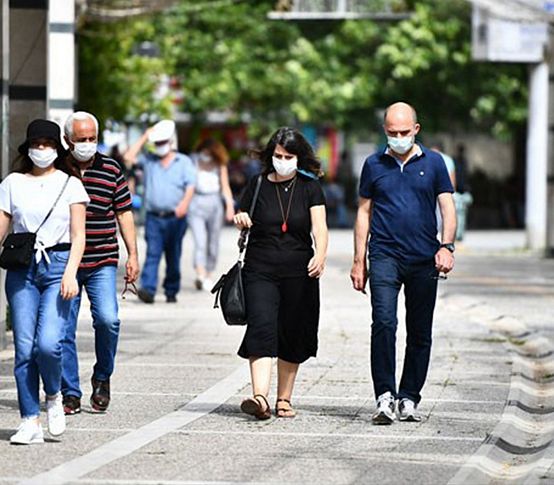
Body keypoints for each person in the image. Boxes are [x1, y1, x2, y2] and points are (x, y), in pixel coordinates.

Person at [350, 102, 456, 425]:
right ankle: (385, 396)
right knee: (384, 323)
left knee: (419, 331)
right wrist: (359, 260)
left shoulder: (435, 163)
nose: (398, 138)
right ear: (385, 131)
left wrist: (447, 246)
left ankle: (409, 397)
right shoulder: (373, 164)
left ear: (416, 130)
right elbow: (363, 213)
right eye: (392, 133)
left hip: (424, 258)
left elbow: (448, 209)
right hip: (384, 255)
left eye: (404, 132)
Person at [0, 119, 88, 444]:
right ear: (28, 148)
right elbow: (3, 228)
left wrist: (70, 274)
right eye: (37, 144)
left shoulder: (71, 185)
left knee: (49, 344)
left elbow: (80, 236)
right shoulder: (12, 183)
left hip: (59, 265)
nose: (42, 150)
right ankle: (29, 420)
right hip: (23, 269)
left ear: (57, 148)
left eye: (48, 144)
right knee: (24, 348)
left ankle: (53, 395)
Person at [233, 127, 328, 419]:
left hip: (299, 271)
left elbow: (320, 227)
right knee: (261, 327)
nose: (282, 160)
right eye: (277, 155)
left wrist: (321, 255)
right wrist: (241, 218)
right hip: (260, 268)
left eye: (288, 156)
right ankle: (259, 397)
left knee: (292, 331)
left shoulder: (310, 187)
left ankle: (284, 399)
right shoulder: (257, 183)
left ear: (299, 158)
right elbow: (241, 213)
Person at [61, 111, 139, 415]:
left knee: (108, 319)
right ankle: (70, 392)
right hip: (65, 260)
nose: (88, 144)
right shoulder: (58, 169)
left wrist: (133, 254)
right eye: (82, 140)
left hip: (102, 259)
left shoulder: (110, 168)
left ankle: (102, 377)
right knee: (64, 328)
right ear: (68, 141)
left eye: (92, 138)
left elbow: (124, 212)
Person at [123, 120, 196, 303]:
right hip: (154, 217)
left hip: (176, 217)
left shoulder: (183, 162)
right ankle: (148, 289)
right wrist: (146, 135)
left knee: (173, 255)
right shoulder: (149, 160)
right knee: (153, 253)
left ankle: (171, 290)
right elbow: (128, 157)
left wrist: (184, 205)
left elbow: (191, 185)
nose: (160, 146)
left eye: (163, 142)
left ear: (170, 142)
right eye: (157, 143)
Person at [189, 139, 234, 291]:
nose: (206, 156)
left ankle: (208, 273)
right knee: (200, 241)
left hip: (214, 202)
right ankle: (200, 274)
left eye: (209, 153)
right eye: (205, 152)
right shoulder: (193, 161)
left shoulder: (219, 164)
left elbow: (225, 187)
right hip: (196, 201)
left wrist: (229, 206)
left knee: (213, 243)